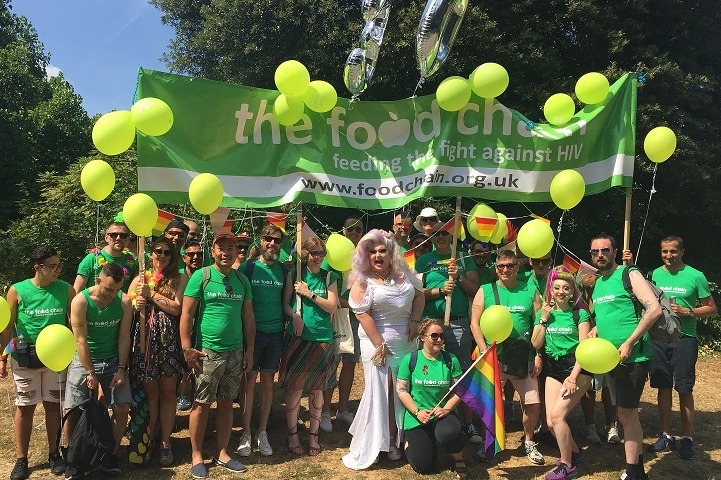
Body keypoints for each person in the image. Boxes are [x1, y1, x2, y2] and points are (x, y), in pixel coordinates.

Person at [342, 229, 424, 469]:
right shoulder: (362, 281)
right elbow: (362, 315)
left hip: (406, 342)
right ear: (366, 256)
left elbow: (420, 297)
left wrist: (415, 320)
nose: (378, 256)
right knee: (380, 391)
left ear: (391, 253)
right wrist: (380, 344)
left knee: (402, 390)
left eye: (382, 251)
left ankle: (397, 440)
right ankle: (376, 443)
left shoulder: (406, 275)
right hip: (376, 343)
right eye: (372, 252)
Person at [180, 232, 256, 478]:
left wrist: (249, 350)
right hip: (207, 352)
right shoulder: (201, 277)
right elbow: (186, 314)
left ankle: (222, 453)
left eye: (230, 248)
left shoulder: (242, 280)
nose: (226, 252)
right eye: (220, 248)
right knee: (202, 404)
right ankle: (196, 455)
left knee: (226, 402)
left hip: (235, 351)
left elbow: (248, 317)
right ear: (212, 251)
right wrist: (186, 348)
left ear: (236, 252)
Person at [589, 233, 660, 480]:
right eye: (595, 252)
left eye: (605, 250)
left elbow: (654, 310)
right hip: (610, 359)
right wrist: (596, 330)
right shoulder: (599, 282)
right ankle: (636, 470)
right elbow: (606, 316)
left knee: (627, 414)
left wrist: (629, 342)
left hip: (632, 357)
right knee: (625, 414)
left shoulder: (629, 274)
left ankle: (634, 472)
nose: (600, 255)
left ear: (615, 252)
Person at [1, 247, 75, 480]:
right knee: (26, 407)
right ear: (37, 267)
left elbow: (74, 324)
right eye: (52, 266)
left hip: (56, 357)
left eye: (58, 266)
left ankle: (54, 454)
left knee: (53, 405)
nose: (57, 270)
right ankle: (21, 459)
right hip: (24, 356)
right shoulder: (17, 290)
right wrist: (2, 357)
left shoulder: (66, 289)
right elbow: (8, 328)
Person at [470, 249, 544, 465]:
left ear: (517, 267)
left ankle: (529, 441)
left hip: (523, 357)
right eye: (501, 266)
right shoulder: (485, 290)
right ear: (496, 268)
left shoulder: (530, 290)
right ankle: (489, 443)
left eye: (510, 265)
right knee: (489, 403)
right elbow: (475, 323)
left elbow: (539, 325)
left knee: (532, 403)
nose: (505, 270)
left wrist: (538, 353)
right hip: (494, 356)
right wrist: (483, 349)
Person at [648, 235, 717, 460]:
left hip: (685, 338)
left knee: (684, 388)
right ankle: (666, 435)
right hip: (659, 338)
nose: (668, 256)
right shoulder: (654, 275)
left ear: (682, 252)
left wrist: (689, 312)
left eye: (673, 251)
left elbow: (711, 308)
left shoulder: (695, 276)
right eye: (664, 251)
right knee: (663, 386)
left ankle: (687, 437)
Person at [64, 263, 133, 478]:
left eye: (117, 289)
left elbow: (124, 337)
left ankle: (108, 455)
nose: (112, 294)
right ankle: (73, 459)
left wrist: (121, 368)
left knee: (122, 407)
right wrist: (90, 372)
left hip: (113, 361)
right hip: (84, 361)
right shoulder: (80, 301)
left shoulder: (124, 301)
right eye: (109, 289)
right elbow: (80, 340)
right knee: (74, 409)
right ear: (98, 281)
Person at [416, 221, 481, 444]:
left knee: (461, 373)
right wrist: (439, 290)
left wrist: (459, 277)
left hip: (458, 323)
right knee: (427, 371)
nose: (441, 237)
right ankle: (425, 418)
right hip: (431, 324)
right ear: (432, 237)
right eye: (437, 234)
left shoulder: (463, 257)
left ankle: (468, 423)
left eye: (446, 233)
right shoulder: (424, 260)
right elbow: (417, 293)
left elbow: (476, 289)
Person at [128, 237, 188, 466]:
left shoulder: (180, 278)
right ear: (151, 254)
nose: (161, 256)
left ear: (173, 257)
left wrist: (151, 295)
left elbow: (177, 308)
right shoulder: (139, 279)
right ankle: (151, 437)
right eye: (157, 251)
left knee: (168, 393)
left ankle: (165, 441)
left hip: (168, 342)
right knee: (151, 393)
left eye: (167, 252)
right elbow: (127, 306)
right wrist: (136, 304)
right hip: (144, 344)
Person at [279, 236, 339, 457]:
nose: (317, 257)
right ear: (304, 254)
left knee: (317, 388)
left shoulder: (329, 276)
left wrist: (309, 293)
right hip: (298, 337)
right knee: (295, 388)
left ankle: (314, 435)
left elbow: (332, 306)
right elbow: (285, 304)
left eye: (321, 253)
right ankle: (293, 435)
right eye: (313, 253)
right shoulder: (294, 274)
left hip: (322, 338)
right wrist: (294, 315)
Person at [530, 267, 592, 479]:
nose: (561, 292)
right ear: (550, 289)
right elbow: (536, 343)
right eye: (557, 287)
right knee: (550, 422)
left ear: (572, 290)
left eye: (566, 288)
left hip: (577, 368)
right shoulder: (545, 313)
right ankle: (576, 452)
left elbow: (584, 349)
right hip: (553, 368)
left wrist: (573, 377)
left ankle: (567, 465)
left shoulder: (580, 314)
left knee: (558, 417)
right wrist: (543, 318)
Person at [236, 225, 289, 458]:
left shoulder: (284, 271)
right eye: (268, 239)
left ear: (281, 244)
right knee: (249, 383)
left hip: (275, 334)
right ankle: (246, 433)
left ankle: (262, 432)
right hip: (252, 335)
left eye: (276, 240)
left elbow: (286, 303)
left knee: (268, 384)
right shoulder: (247, 268)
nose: (272, 243)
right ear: (260, 240)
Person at [396, 319, 467, 478]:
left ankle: (458, 457)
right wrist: (417, 412)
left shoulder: (450, 360)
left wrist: (447, 409)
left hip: (443, 413)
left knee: (450, 433)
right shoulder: (411, 359)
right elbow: (401, 390)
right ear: (422, 337)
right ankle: (408, 443)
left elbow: (460, 390)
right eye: (434, 336)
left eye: (442, 336)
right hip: (418, 416)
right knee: (424, 467)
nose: (439, 340)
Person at [320, 215, 365, 433]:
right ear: (343, 230)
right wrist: (352, 304)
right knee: (332, 364)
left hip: (357, 319)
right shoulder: (331, 256)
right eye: (351, 229)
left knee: (350, 364)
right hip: (336, 317)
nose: (354, 233)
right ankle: (325, 411)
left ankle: (343, 409)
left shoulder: (365, 258)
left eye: (359, 230)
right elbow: (326, 290)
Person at [177, 241, 205, 411]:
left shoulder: (207, 275)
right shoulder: (178, 277)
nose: (195, 257)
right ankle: (183, 392)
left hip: (200, 326)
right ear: (184, 257)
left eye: (199, 254)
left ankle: (193, 394)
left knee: (197, 362)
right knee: (183, 362)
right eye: (191, 254)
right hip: (180, 324)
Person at [73, 221, 137, 293]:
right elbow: (76, 291)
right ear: (106, 238)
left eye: (123, 236)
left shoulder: (131, 262)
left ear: (128, 239)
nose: (118, 238)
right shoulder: (92, 258)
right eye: (114, 235)